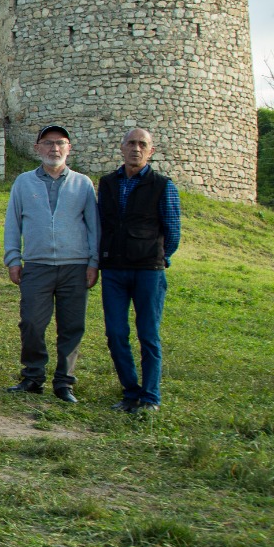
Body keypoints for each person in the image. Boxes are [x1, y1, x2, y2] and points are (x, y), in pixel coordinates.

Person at [2, 125, 100, 404]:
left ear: (69, 148)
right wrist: (13, 258)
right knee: (32, 322)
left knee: (71, 326)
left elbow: (93, 226)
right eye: (47, 143)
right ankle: (33, 376)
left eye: (60, 143)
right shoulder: (24, 182)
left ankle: (64, 382)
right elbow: (13, 223)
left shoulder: (83, 183)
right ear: (37, 149)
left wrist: (93, 262)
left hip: (75, 266)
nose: (54, 148)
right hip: (36, 265)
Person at [97, 128, 180, 415]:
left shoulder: (162, 185)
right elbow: (102, 223)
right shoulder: (107, 183)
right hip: (114, 270)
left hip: (148, 271)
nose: (136, 148)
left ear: (151, 151)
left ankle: (151, 396)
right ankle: (131, 392)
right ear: (121, 148)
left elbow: (173, 231)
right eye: (131, 143)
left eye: (142, 144)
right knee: (116, 333)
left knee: (148, 335)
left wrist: (158, 257)